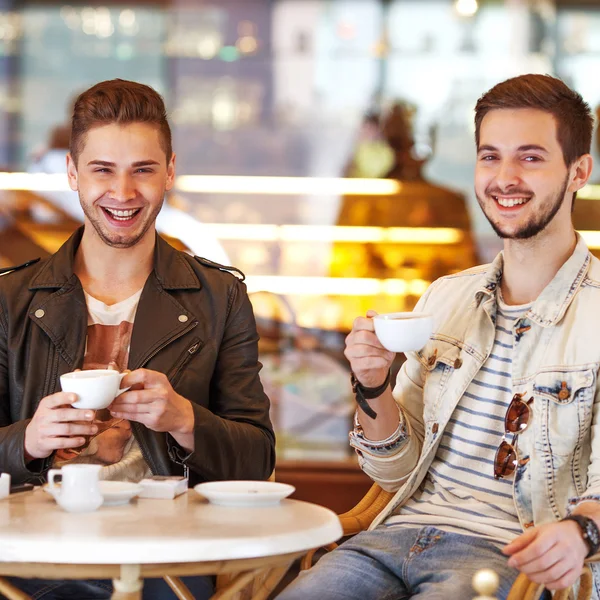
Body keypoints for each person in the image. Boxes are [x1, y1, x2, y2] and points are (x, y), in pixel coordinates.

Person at [277, 73, 600, 600]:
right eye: (490, 156)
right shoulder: (445, 299)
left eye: (531, 157)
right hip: (389, 537)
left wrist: (580, 533)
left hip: (508, 556)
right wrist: (372, 384)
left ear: (578, 172)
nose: (505, 177)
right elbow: (397, 467)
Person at [0, 79, 275, 599]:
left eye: (143, 170)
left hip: (166, 554)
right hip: (37, 552)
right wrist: (29, 441)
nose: (123, 194)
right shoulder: (9, 299)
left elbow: (256, 459)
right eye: (102, 169)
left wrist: (184, 419)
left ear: (170, 170)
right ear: (72, 173)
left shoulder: (221, 297)